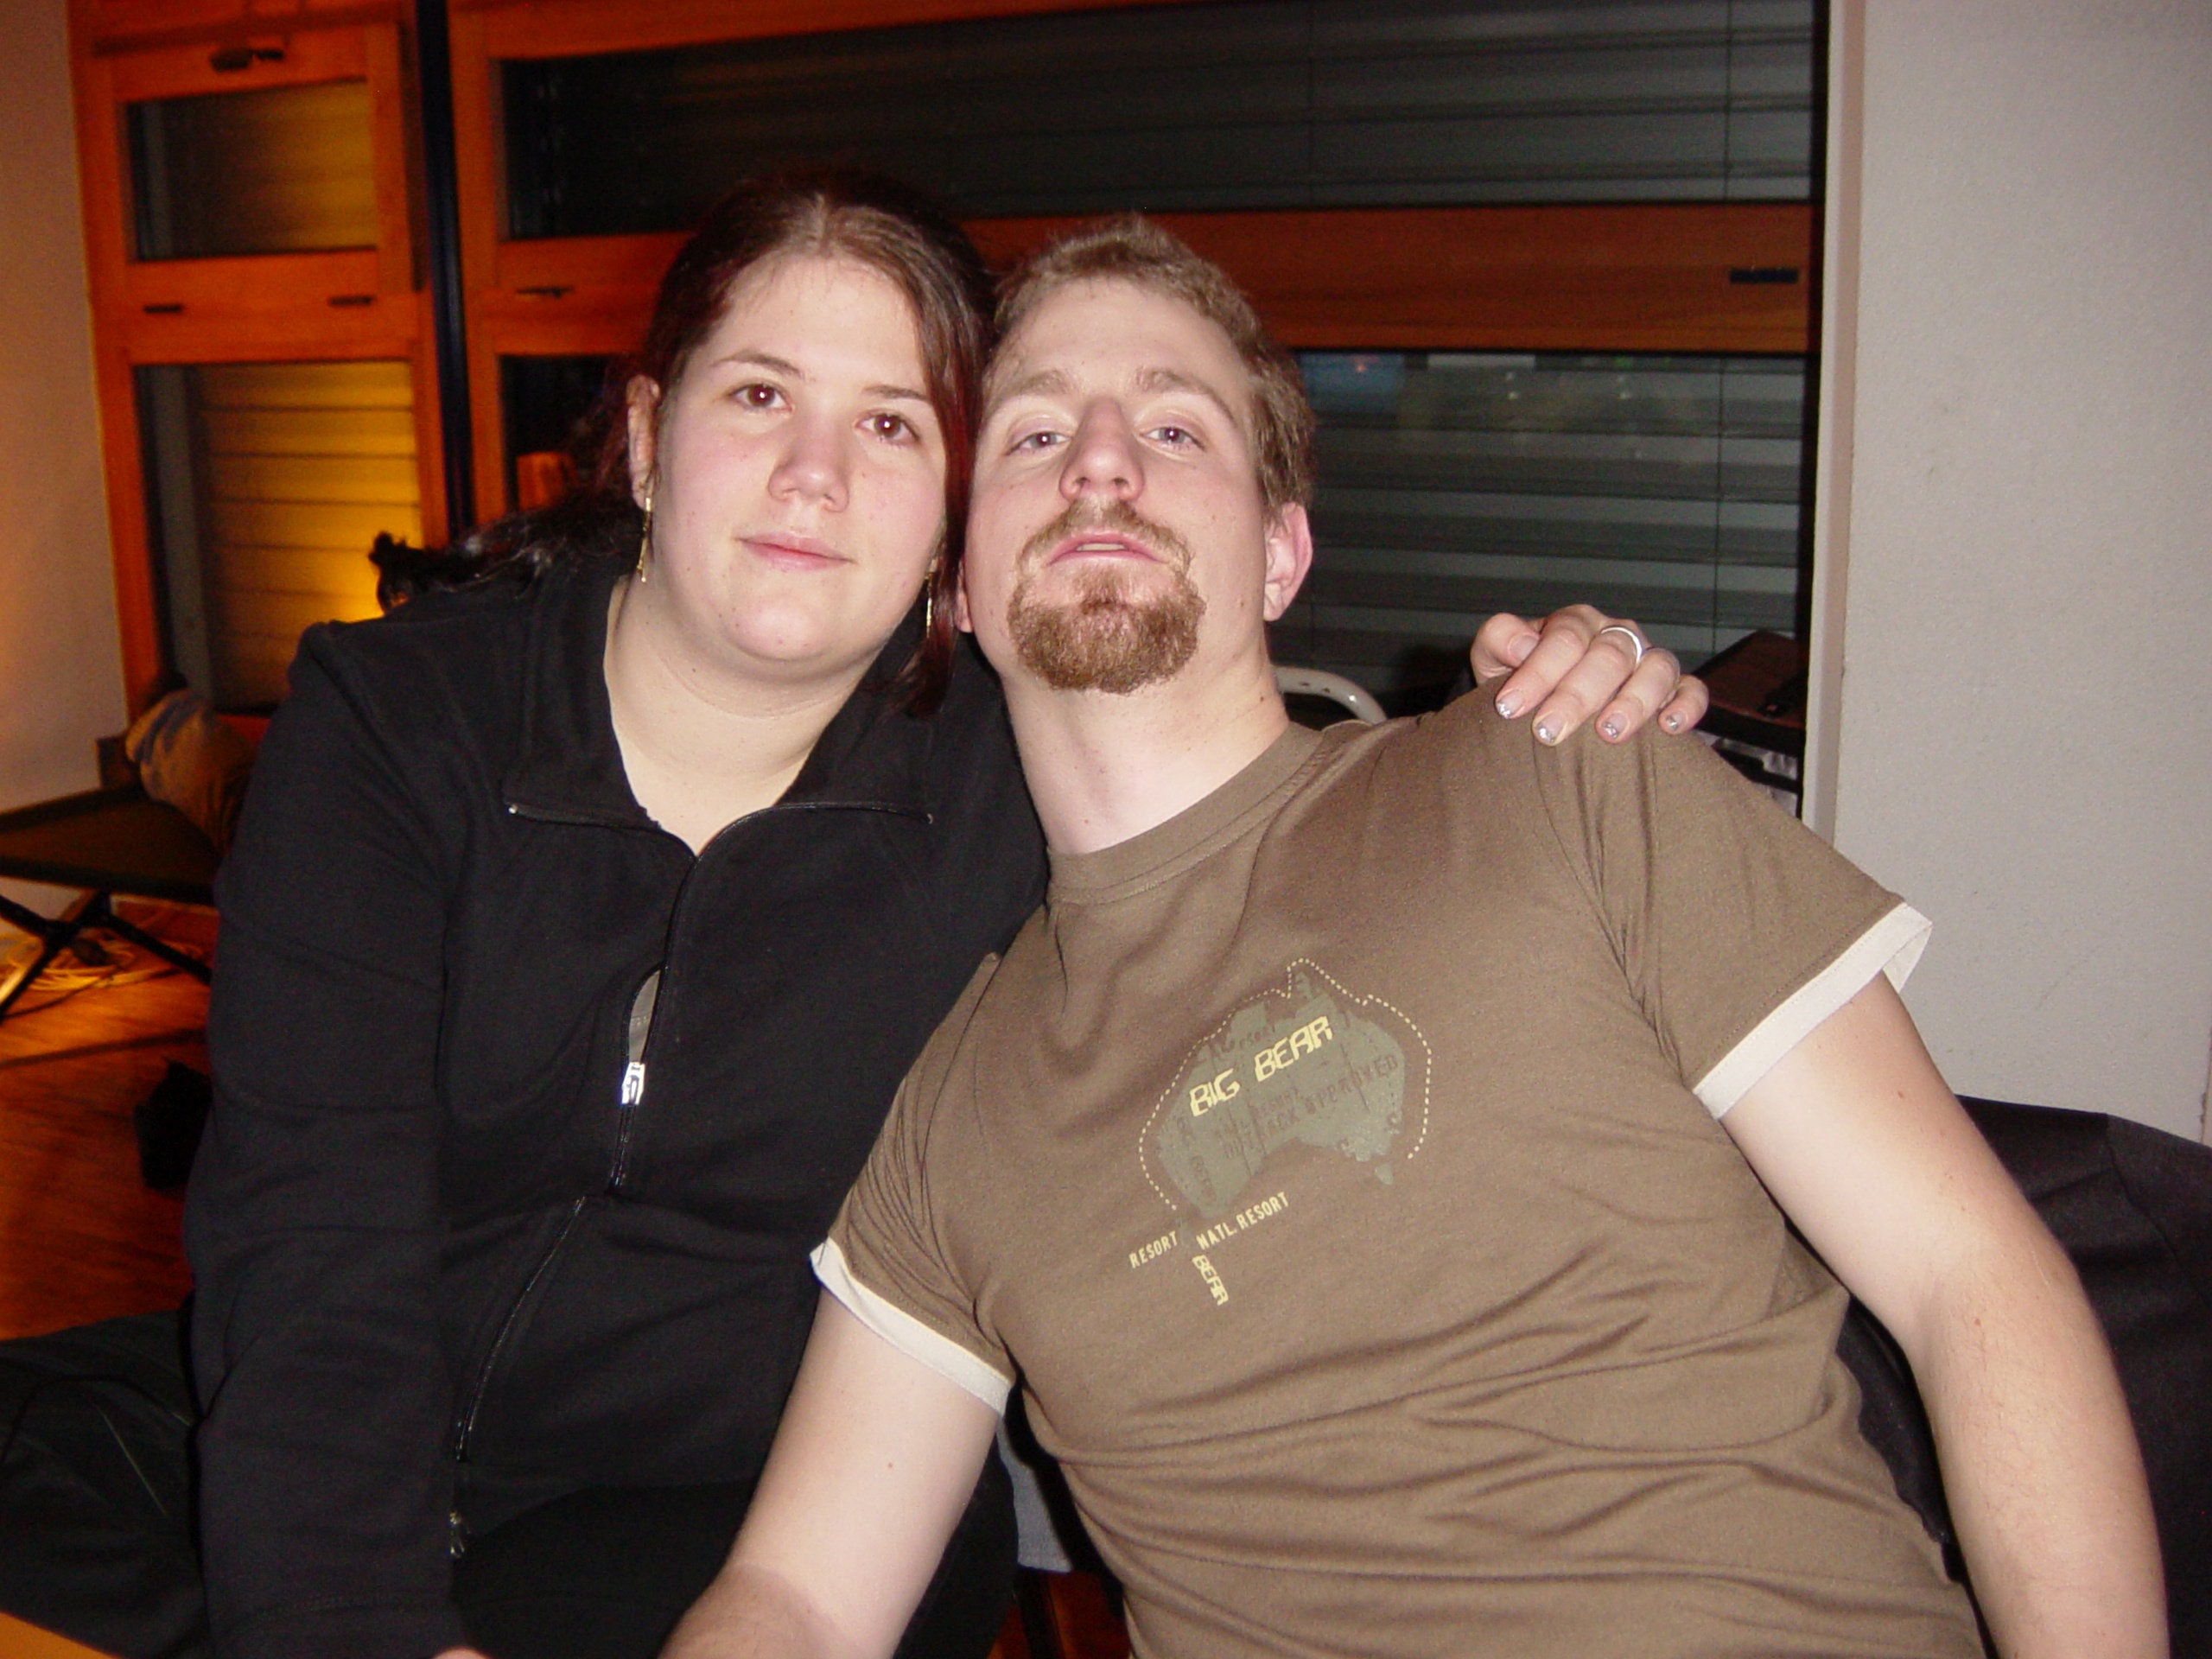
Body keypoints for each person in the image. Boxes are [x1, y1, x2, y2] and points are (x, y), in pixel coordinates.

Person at [174, 175, 1696, 1659]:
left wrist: (1544, 713)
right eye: (759, 395)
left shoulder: (1015, 779)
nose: (813, 475)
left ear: (957, 527)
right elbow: (308, 1253)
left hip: (766, 1511)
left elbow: (1263, 811)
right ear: (645, 438)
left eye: (892, 424)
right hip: (322, 1448)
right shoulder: (401, 728)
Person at [663, 219, 2168, 1659]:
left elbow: (1971, 1282)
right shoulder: (954, 1115)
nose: (1103, 460)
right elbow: (800, 1596)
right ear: (960, 579)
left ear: (1280, 554)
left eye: (1176, 428)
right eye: (1036, 432)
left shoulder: (1566, 768)